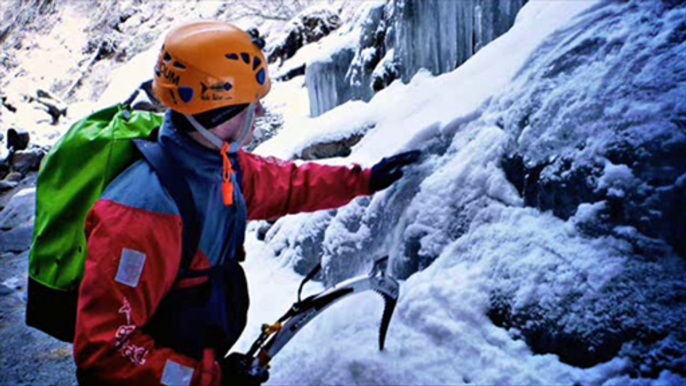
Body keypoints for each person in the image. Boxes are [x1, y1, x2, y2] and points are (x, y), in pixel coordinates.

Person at [73, 20, 419, 386]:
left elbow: (290, 185)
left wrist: (365, 179)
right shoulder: (141, 215)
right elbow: (105, 351)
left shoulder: (218, 168)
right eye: (252, 105)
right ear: (219, 113)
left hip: (195, 355)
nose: (261, 114)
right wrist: (209, 380)